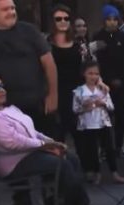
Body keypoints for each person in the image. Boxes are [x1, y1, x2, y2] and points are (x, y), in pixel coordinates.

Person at [0, 73, 113, 205]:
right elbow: (11, 142)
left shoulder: (11, 109)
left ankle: (61, 201)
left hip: (30, 152)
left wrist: (52, 142)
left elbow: (33, 132)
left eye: (2, 86)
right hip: (12, 162)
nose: (2, 90)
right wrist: (44, 145)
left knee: (70, 157)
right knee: (60, 163)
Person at [0, 0, 58, 140]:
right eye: (5, 9)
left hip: (38, 105)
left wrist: (53, 95)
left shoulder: (29, 31)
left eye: (13, 8)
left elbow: (49, 62)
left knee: (49, 148)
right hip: (5, 111)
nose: (11, 12)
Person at [72, 61, 124, 185]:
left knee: (110, 147)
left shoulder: (102, 90)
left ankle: (115, 173)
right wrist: (85, 107)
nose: (93, 76)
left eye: (96, 74)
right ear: (84, 74)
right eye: (90, 73)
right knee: (92, 149)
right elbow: (75, 109)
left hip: (103, 122)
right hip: (88, 124)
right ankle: (97, 173)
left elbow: (111, 107)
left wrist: (102, 103)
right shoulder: (79, 91)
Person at [94, 4, 124, 158]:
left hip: (122, 85)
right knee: (104, 118)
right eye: (108, 19)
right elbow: (98, 62)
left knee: (121, 117)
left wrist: (123, 79)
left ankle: (118, 147)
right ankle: (105, 148)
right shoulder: (98, 38)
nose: (111, 22)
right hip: (104, 85)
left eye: (114, 19)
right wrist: (108, 80)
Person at [49, 4, 83, 144]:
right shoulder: (46, 44)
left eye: (66, 18)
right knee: (58, 132)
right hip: (56, 92)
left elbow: (86, 68)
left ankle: (88, 164)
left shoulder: (78, 45)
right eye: (58, 19)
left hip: (76, 92)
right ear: (52, 21)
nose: (63, 21)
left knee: (80, 133)